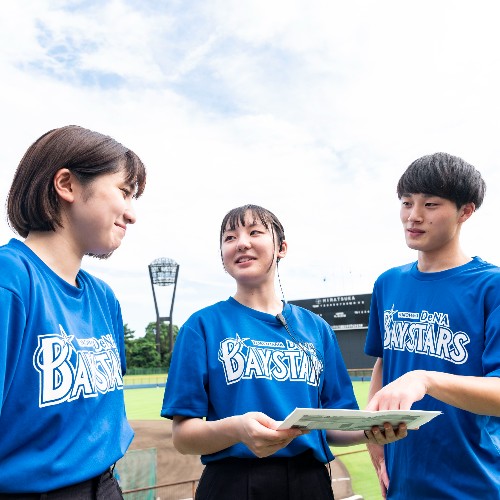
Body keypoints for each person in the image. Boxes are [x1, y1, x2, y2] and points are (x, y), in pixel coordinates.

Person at [161, 204, 407, 500]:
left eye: (255, 232)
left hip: (309, 482)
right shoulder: (201, 326)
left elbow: (333, 425)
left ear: (282, 247)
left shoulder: (316, 328)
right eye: (229, 237)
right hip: (232, 483)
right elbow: (184, 437)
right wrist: (237, 429)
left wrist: (372, 428)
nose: (242, 243)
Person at [0, 125, 146, 498]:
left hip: (107, 486)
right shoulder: (10, 280)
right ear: (66, 185)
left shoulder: (104, 298)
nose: (132, 214)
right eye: (124, 192)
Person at [364, 152, 500, 499]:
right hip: (403, 481)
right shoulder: (388, 284)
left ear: (465, 212)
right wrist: (373, 439)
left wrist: (424, 379)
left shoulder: (490, 286)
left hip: (474, 483)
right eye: (407, 203)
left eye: (431, 204)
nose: (414, 216)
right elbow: (383, 361)